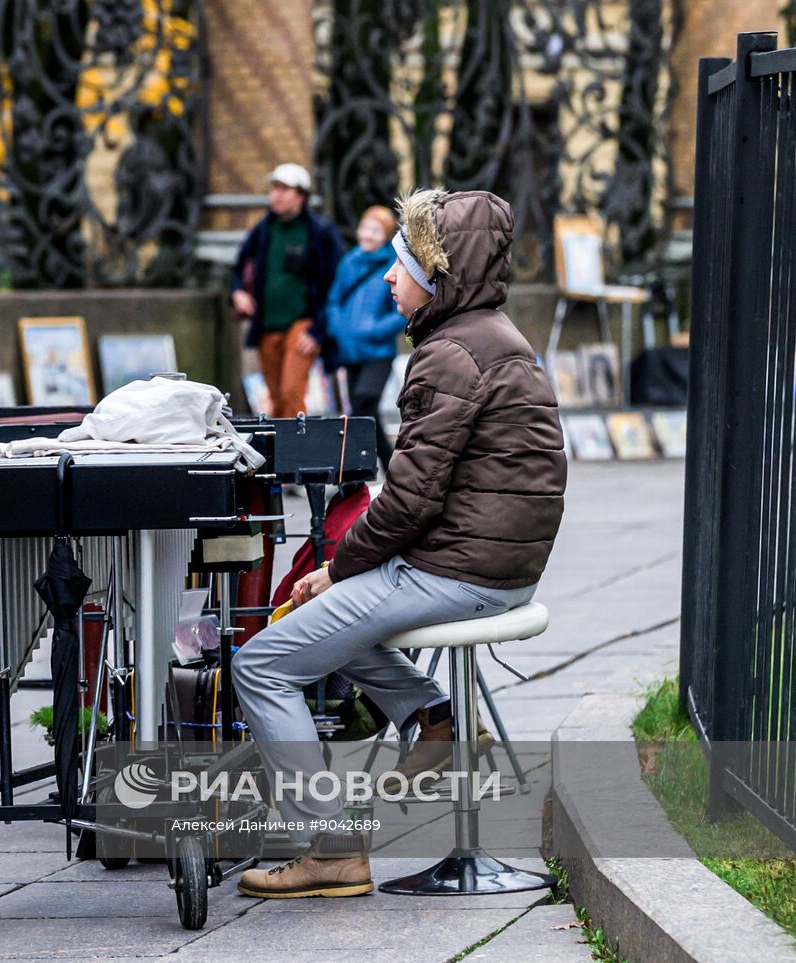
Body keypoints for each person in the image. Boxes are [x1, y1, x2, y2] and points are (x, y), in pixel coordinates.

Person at [232, 188, 567, 898]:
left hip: (459, 570)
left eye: (402, 262)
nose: (388, 276)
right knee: (335, 627)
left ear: (439, 273)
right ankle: (431, 715)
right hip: (504, 567)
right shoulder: (500, 336)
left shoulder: (447, 354)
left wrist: (336, 568)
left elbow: (409, 501)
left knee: (262, 662)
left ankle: (329, 846)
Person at [230, 163, 343, 418]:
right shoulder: (264, 228)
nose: (276, 195)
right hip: (267, 325)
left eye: (284, 189)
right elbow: (240, 265)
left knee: (292, 392)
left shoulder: (320, 231)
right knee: (275, 397)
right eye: (274, 188)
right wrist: (237, 292)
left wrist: (318, 330)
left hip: (303, 325)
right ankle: (281, 454)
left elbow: (336, 283)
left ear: (301, 196)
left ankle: (297, 453)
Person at [318, 205, 400, 469]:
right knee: (365, 414)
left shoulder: (393, 264)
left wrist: (374, 329)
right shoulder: (349, 261)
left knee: (365, 399)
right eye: (365, 227)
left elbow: (400, 311)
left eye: (375, 230)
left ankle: (356, 466)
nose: (367, 234)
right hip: (350, 350)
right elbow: (334, 300)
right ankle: (390, 464)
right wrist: (338, 328)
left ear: (385, 235)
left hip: (378, 351)